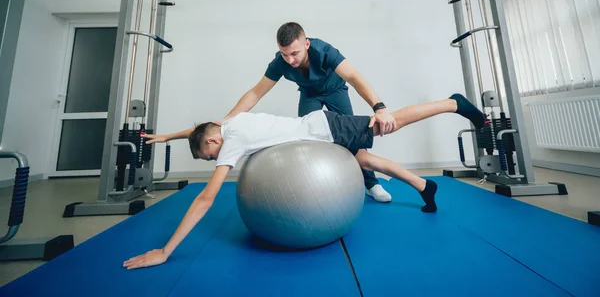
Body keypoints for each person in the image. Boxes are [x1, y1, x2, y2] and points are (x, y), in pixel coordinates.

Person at [123, 93, 486, 270]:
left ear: (216, 143)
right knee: (366, 159)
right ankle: (425, 187)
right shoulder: (230, 122)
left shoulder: (229, 140)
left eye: (210, 156)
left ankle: (453, 104)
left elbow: (205, 199)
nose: (216, 160)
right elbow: (199, 129)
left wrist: (165, 251)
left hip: (323, 130)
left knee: (394, 123)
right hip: (318, 137)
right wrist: (166, 136)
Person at [145, 22, 396, 203]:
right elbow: (256, 93)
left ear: (306, 44)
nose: (290, 60)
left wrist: (379, 108)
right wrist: (230, 119)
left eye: (295, 53)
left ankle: (371, 184)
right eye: (285, 54)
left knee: (352, 138)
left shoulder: (325, 51)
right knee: (307, 139)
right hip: (309, 93)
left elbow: (353, 76)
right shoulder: (279, 62)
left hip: (334, 90)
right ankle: (317, 184)